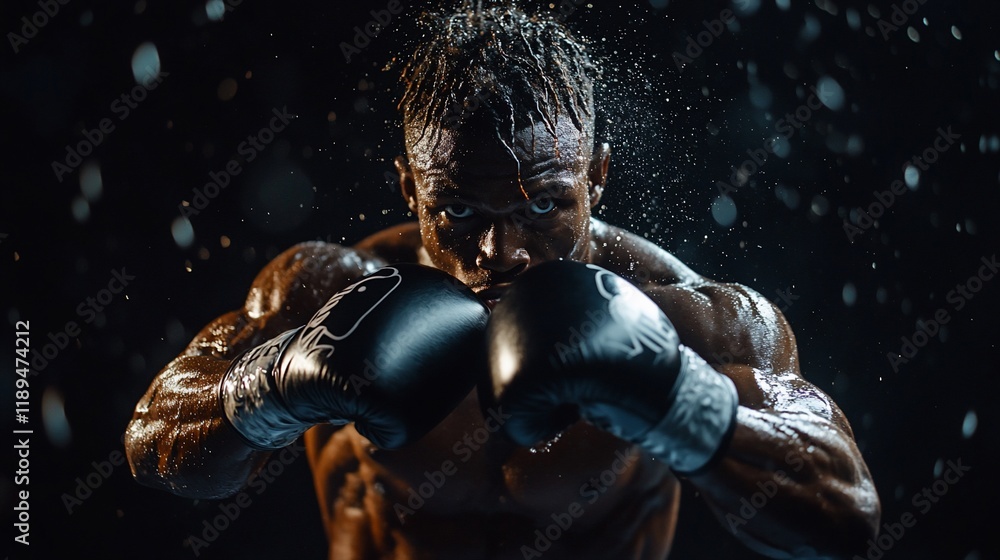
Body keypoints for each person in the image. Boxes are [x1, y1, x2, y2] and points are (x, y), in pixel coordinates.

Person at [125, 5, 880, 559]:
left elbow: (846, 513)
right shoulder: (331, 297)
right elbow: (150, 444)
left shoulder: (687, 320)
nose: (499, 251)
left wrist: (671, 395)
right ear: (408, 191)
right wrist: (273, 386)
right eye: (455, 208)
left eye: (544, 204)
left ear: (598, 177)